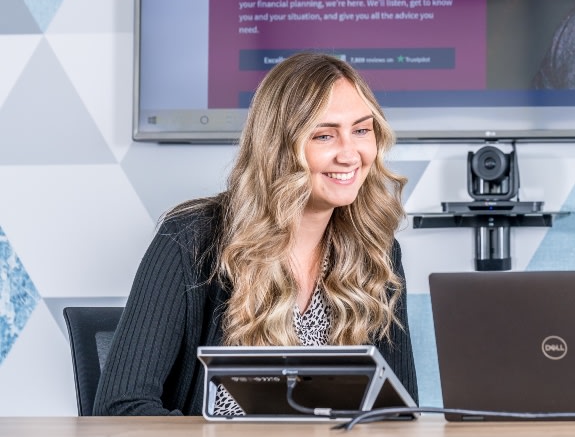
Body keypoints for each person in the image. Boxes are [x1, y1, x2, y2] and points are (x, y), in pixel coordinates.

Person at [94, 52, 417, 415]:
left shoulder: (377, 250)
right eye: (324, 135)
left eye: (361, 130)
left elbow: (399, 416)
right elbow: (121, 407)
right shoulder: (190, 240)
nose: (350, 154)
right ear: (279, 148)